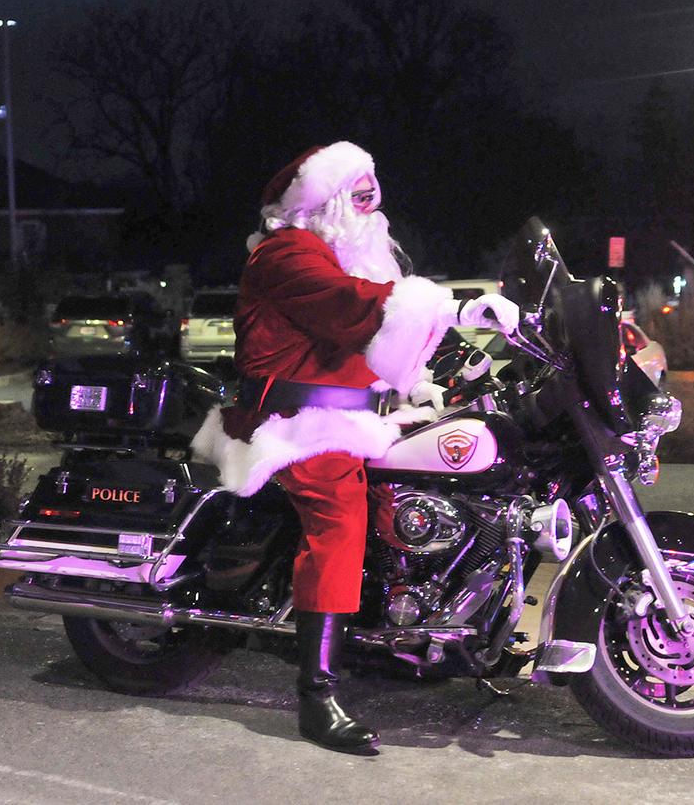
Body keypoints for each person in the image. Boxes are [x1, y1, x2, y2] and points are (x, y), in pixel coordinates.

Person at [191, 141, 518, 755]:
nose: (371, 202)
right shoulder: (289, 254)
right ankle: (317, 695)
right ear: (321, 201)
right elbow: (352, 309)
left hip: (349, 413)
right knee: (339, 515)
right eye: (357, 192)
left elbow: (376, 335)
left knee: (423, 485)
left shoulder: (344, 255)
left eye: (374, 189)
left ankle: (401, 624)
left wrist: (444, 371)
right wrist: (458, 306)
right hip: (293, 419)